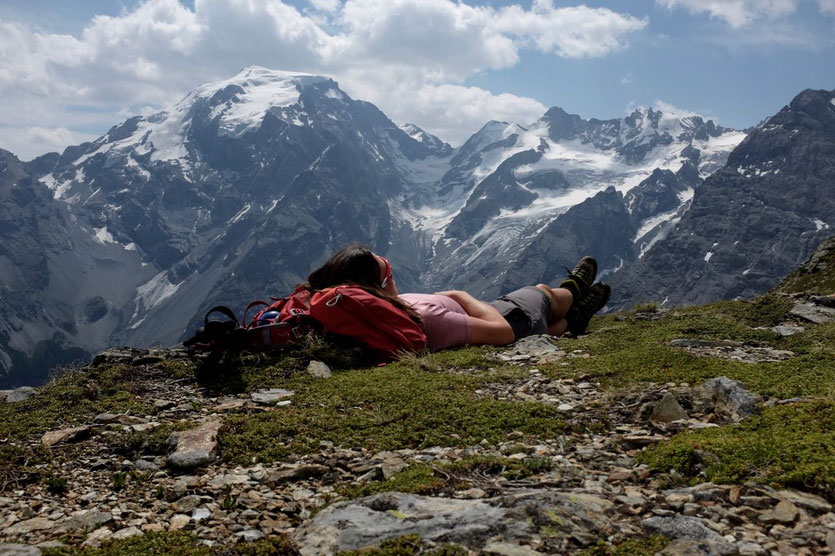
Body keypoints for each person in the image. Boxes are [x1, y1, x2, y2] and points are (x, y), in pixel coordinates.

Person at [306, 244, 610, 352]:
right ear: (378, 285)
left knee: (549, 322)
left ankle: (575, 320)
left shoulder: (348, 309)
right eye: (391, 275)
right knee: (541, 292)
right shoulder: (425, 316)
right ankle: (572, 290)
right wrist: (459, 295)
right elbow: (504, 333)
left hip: (485, 317)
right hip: (506, 320)